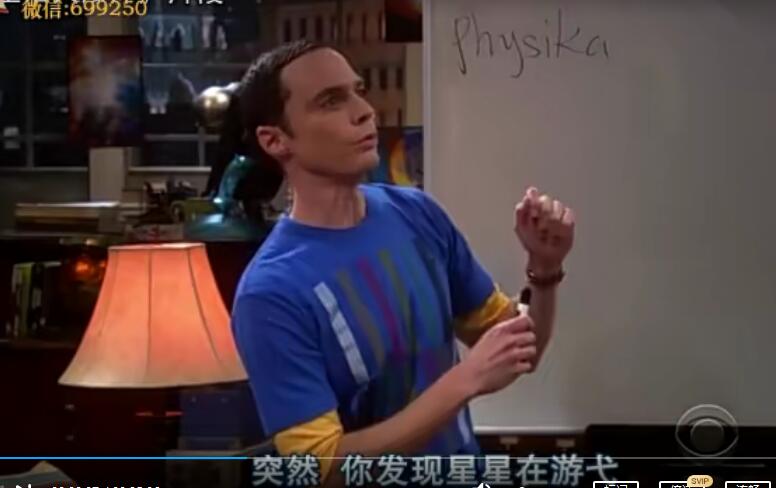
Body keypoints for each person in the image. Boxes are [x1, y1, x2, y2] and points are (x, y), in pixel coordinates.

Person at [231, 40, 575, 486]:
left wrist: (544, 270)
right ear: (275, 140)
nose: (364, 112)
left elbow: (518, 349)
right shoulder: (270, 293)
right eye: (331, 101)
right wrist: (464, 381)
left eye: (359, 92)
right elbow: (320, 468)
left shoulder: (417, 214)